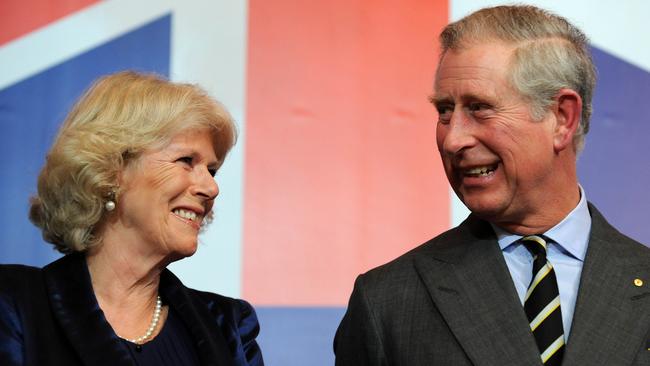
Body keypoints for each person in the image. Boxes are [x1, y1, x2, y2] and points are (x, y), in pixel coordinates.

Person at [335, 5, 649, 366]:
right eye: (444, 111)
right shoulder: (388, 302)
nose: (453, 140)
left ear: (562, 118)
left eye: (479, 108)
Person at [0, 71, 264, 366]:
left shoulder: (228, 326)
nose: (211, 187)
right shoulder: (14, 306)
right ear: (111, 171)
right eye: (186, 161)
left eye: (212, 170)